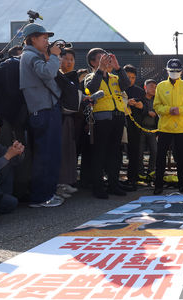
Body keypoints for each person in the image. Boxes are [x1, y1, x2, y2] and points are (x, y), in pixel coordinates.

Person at [18, 23, 64, 208]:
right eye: (44, 37)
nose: (47, 41)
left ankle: (47, 194)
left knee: (49, 155)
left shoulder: (32, 55)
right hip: (43, 111)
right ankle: (41, 197)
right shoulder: (30, 56)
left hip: (43, 109)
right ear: (32, 39)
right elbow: (47, 73)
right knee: (46, 156)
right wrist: (53, 56)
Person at [84, 48, 132, 199]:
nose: (105, 61)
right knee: (100, 153)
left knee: (115, 153)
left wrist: (118, 68)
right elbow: (91, 89)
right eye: (100, 58)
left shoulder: (114, 77)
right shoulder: (90, 76)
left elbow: (125, 85)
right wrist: (100, 70)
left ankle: (114, 184)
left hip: (117, 116)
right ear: (93, 62)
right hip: (102, 118)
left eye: (106, 58)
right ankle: (98, 187)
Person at [153, 59, 183, 195]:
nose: (174, 73)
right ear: (167, 71)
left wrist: (180, 110)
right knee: (160, 158)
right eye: (171, 71)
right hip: (165, 127)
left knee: (182, 158)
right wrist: (168, 109)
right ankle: (158, 185)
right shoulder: (160, 86)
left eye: (177, 71)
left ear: (181, 71)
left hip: (182, 128)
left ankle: (181, 184)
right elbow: (156, 106)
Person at [56, 49, 80, 199]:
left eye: (72, 59)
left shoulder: (72, 77)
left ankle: (67, 182)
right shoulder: (56, 76)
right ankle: (59, 184)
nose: (70, 62)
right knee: (61, 152)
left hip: (70, 118)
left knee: (69, 151)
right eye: (66, 59)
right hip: (59, 117)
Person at [122, 64, 146, 191]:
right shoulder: (118, 88)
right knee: (116, 152)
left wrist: (140, 106)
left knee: (135, 153)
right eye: (128, 77)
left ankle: (133, 178)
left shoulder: (140, 91)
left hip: (134, 125)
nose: (130, 79)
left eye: (133, 77)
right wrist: (126, 102)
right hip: (120, 123)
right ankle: (113, 178)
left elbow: (146, 109)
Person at [136, 79, 158, 181]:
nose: (154, 89)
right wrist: (147, 112)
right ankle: (140, 173)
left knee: (155, 151)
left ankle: (151, 172)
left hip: (153, 129)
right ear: (145, 87)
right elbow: (137, 112)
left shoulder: (157, 100)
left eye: (155, 87)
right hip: (141, 128)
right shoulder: (140, 99)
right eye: (151, 86)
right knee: (139, 152)